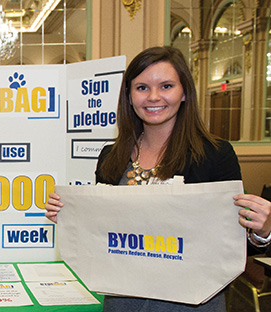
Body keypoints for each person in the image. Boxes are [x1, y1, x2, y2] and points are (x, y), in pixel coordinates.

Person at [45, 46, 271, 311]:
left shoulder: (215, 155)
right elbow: (102, 233)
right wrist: (72, 219)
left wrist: (263, 231)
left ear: (184, 92)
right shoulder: (111, 156)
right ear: (128, 96)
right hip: (122, 300)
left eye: (166, 86)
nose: (153, 97)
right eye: (141, 88)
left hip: (192, 302)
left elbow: (232, 243)